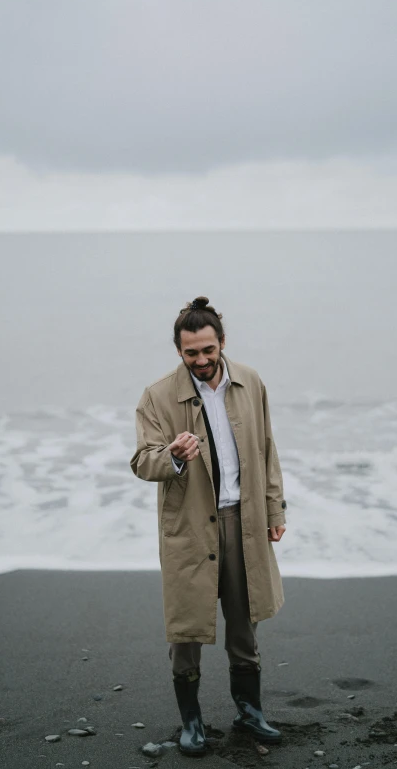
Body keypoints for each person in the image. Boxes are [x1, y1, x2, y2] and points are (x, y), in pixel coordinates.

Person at [130, 296, 287, 756]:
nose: (200, 361)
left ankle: (250, 711)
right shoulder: (157, 396)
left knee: (244, 623)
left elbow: (268, 450)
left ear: (222, 343)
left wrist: (275, 511)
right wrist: (174, 457)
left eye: (207, 351)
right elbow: (142, 462)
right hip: (190, 527)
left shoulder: (251, 382)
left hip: (244, 522)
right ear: (179, 351)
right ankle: (192, 721)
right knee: (187, 629)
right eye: (190, 353)